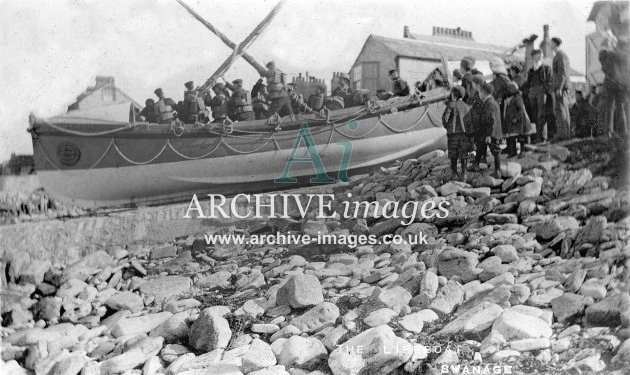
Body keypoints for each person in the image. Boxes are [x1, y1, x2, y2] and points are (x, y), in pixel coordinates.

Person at [442, 85, 471, 180]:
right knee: (464, 153)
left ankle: (454, 172)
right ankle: (464, 173)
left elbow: (445, 118)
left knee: (453, 153)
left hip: (453, 134)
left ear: (453, 94)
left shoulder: (451, 104)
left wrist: (448, 127)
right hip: (464, 134)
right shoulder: (467, 106)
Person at [523, 49, 553, 143]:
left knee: (541, 115)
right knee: (535, 116)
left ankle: (542, 137)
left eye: (540, 55)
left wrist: (544, 91)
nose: (539, 56)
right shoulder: (531, 70)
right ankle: (538, 137)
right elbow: (528, 83)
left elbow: (549, 82)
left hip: (541, 93)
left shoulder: (547, 68)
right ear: (533, 57)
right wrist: (529, 92)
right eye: (537, 55)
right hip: (532, 94)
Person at [477, 82, 503, 178]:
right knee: (495, 150)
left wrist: (488, 135)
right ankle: (497, 170)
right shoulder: (492, 102)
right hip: (494, 132)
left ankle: (497, 171)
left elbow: (491, 120)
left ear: (483, 92)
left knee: (496, 151)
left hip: (492, 133)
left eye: (479, 92)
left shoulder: (490, 104)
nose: (479, 95)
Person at [550, 37, 572, 141]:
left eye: (551, 43)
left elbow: (563, 72)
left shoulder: (560, 55)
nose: (550, 45)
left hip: (561, 88)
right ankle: (564, 133)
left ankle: (563, 134)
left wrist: (559, 87)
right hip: (560, 87)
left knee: (560, 110)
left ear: (555, 44)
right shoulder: (558, 55)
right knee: (562, 110)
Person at [503, 81, 532, 158]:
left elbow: (521, 110)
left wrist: (516, 118)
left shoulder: (517, 98)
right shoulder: (509, 99)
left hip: (520, 122)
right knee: (512, 137)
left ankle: (522, 151)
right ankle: (513, 152)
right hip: (514, 123)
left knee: (521, 137)